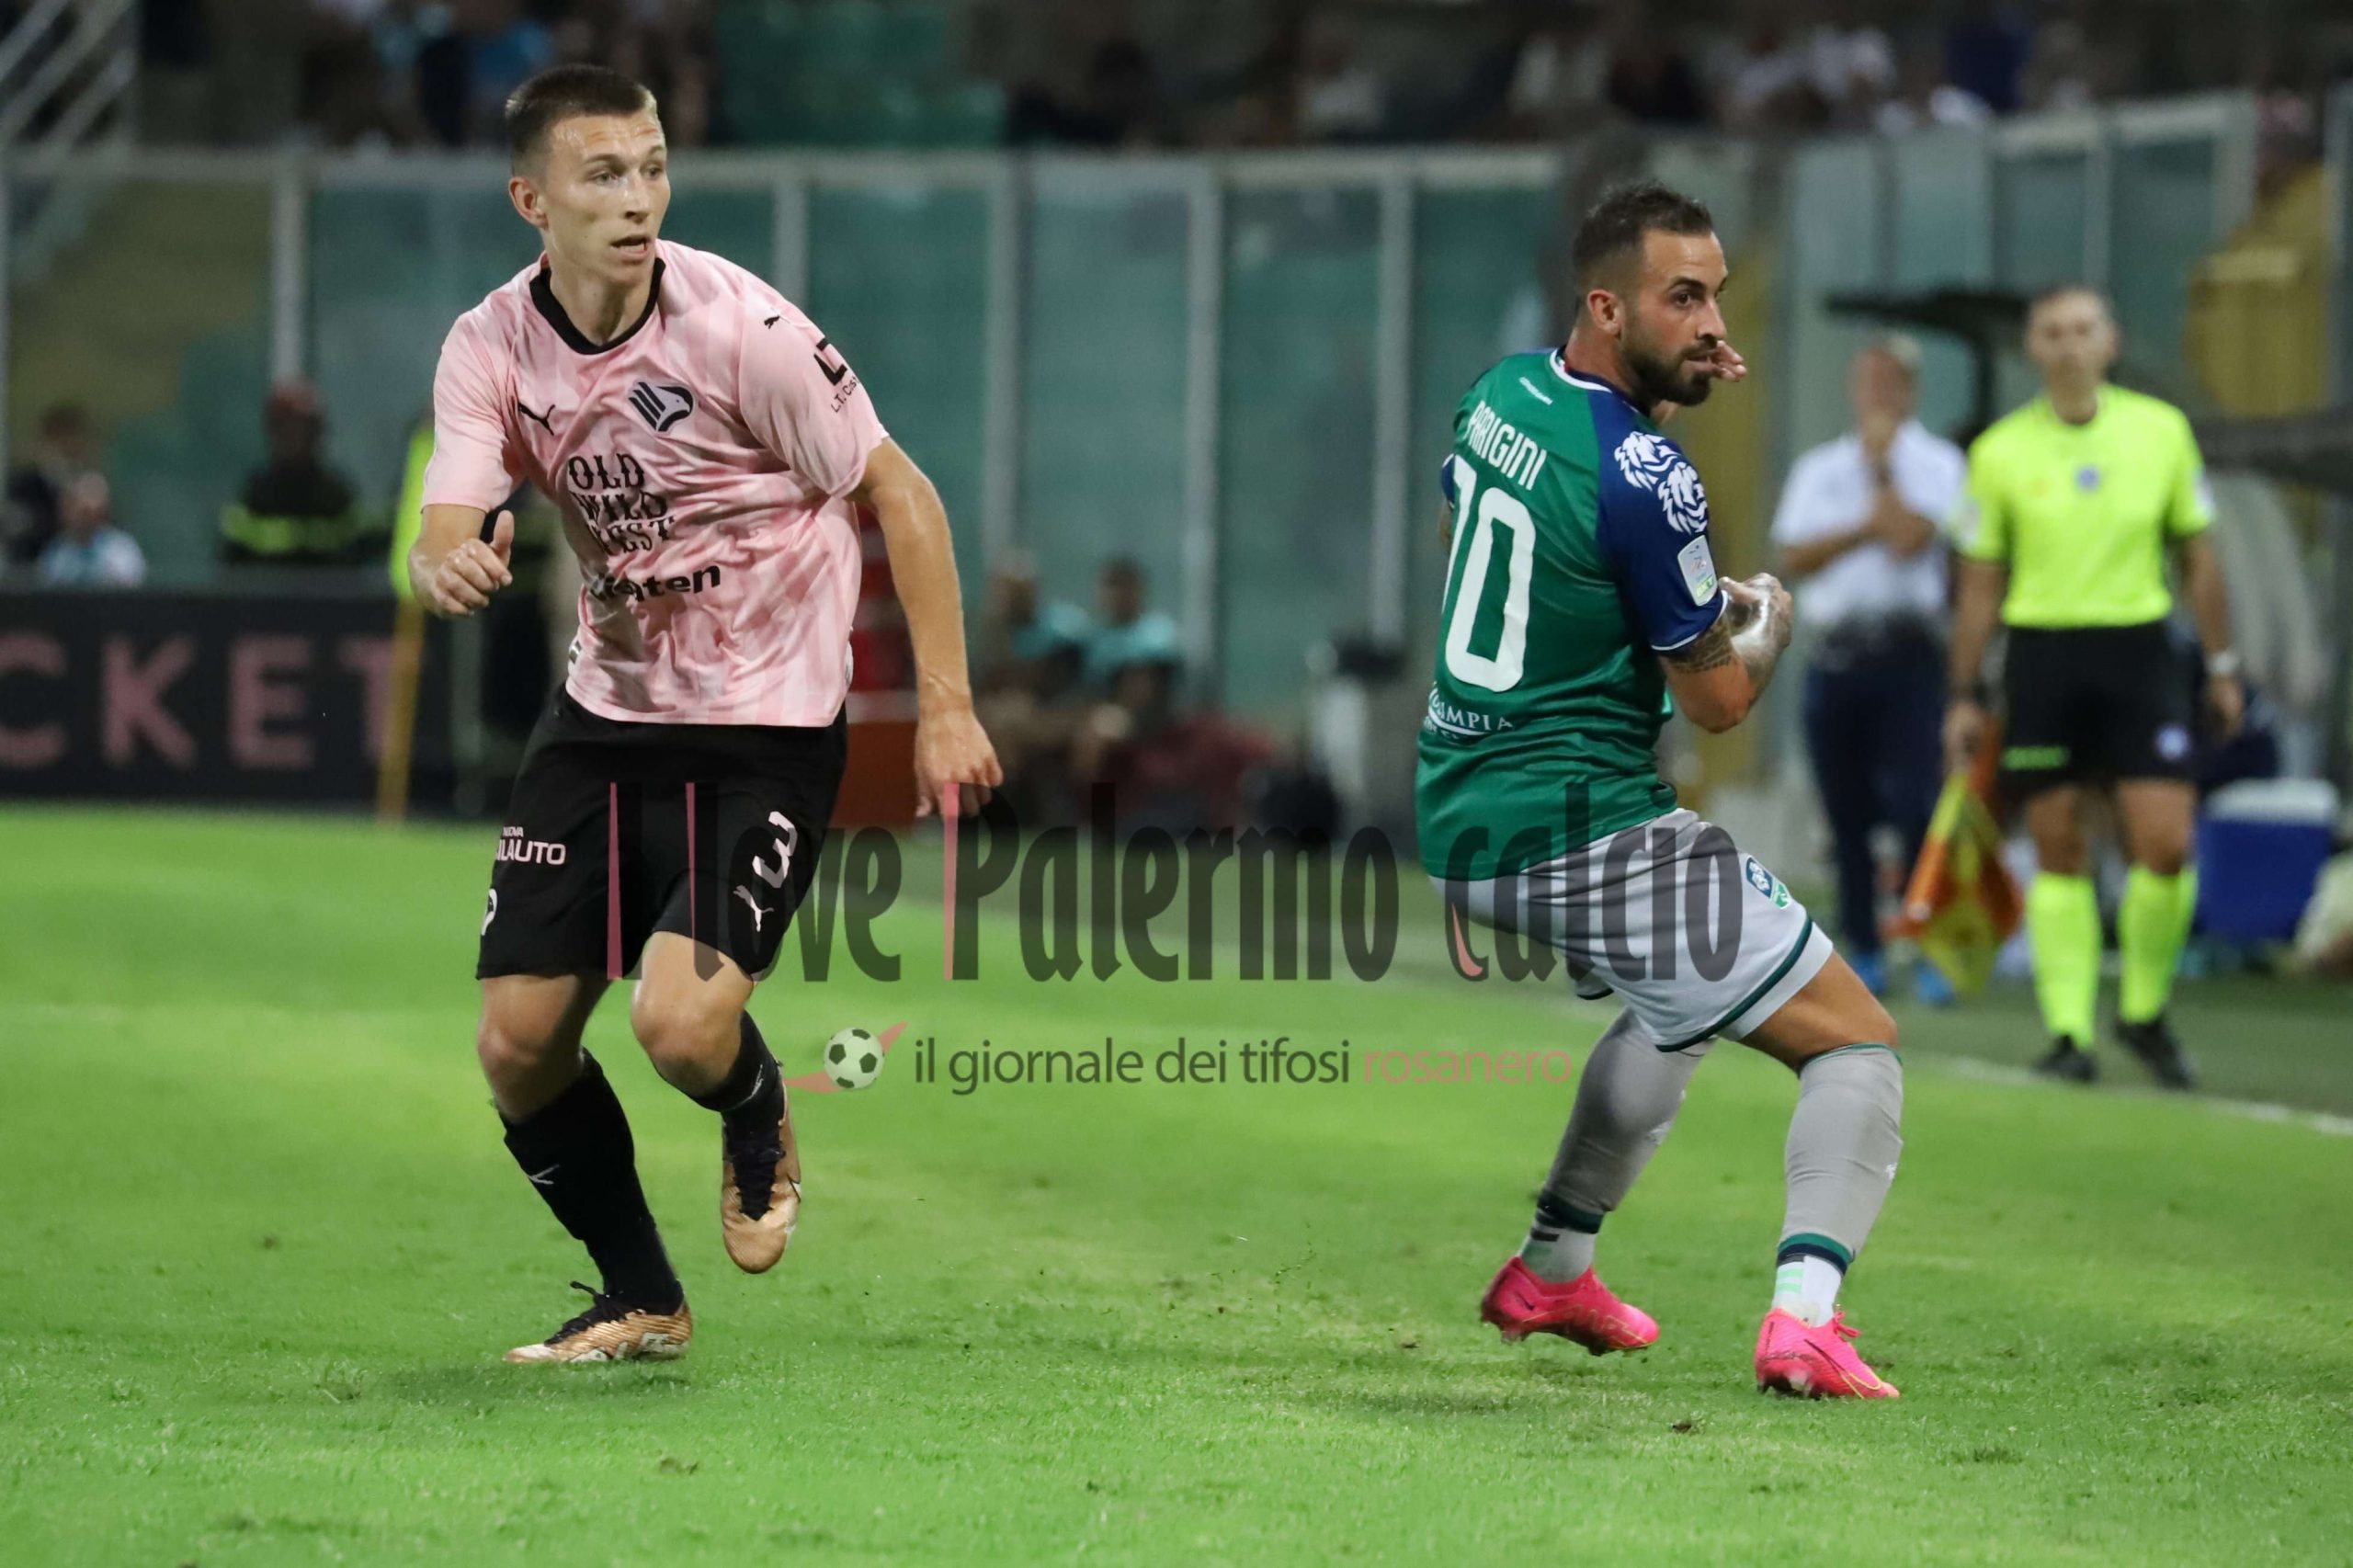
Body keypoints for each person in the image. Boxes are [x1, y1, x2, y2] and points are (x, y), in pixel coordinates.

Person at [407, 64, 1001, 1364]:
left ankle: (754, 1095)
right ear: (531, 201)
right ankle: (642, 1296)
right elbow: (449, 515)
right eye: (602, 174)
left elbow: (904, 496)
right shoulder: (491, 343)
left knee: (675, 1024)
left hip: (767, 721)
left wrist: (948, 706)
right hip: (608, 712)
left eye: (653, 167)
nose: (638, 199)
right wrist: (442, 559)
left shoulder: (742, 329)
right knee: (516, 1045)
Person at [1418, 181, 1906, 1399]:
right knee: (1857, 1043)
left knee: (1673, 1010)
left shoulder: (1504, 393)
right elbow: (1718, 703)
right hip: (1581, 819)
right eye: (1681, 298)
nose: (1709, 323)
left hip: (1460, 809)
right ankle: (1805, 1320)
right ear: (1606, 303)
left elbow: (1471, 521)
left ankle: (1552, 1268)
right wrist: (1765, 626)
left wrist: (1640, 591)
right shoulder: (1650, 473)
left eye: (1716, 298)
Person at [1945, 285, 2240, 1089]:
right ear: (2033, 349)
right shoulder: (2000, 452)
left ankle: (2142, 1010)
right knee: (2060, 845)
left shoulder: (2160, 431)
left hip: (2140, 652)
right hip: (2043, 654)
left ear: (2109, 343)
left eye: (2083, 330)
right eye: (2052, 333)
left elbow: (2199, 557)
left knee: (2166, 843)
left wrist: (2221, 664)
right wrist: (1965, 693)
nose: (2069, 345)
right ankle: (2070, 1032)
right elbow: (1979, 582)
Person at [1771, 337, 1964, 1002]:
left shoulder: (1939, 465)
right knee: (1845, 811)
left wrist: (1884, 479)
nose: (1878, 397)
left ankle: (1928, 941)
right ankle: (1865, 945)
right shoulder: (1820, 469)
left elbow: (1916, 537)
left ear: (1909, 393)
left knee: (1917, 805)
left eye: (1891, 385)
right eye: (1868, 383)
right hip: (1838, 655)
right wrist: (1865, 525)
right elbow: (1795, 552)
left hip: (1909, 655)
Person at [220, 381, 372, 567]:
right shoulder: (255, 495)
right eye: (286, 429)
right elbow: (232, 568)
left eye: (305, 430)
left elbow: (358, 563)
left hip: (324, 596)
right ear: (273, 433)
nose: (296, 438)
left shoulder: (336, 496)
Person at [4, 403, 102, 569]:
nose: (70, 444)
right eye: (63, 436)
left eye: (74, 436)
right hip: (34, 570)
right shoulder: (25, 484)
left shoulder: (90, 483)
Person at [1084, 557, 1181, 691]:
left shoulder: (1160, 631)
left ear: (1140, 588)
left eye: (1124, 585)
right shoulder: (1093, 640)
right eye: (1110, 585)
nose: (1116, 594)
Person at [35, 474, 145, 587]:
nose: (84, 518)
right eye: (80, 510)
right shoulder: (56, 552)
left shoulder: (122, 549)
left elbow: (130, 588)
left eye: (90, 512)